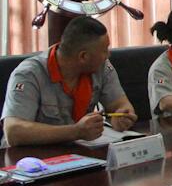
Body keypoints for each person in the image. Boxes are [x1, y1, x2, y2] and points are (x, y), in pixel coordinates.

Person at [1, 17, 137, 147]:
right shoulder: (29, 74)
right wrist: (75, 132)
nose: (108, 55)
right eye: (104, 51)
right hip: (28, 158)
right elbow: (13, 132)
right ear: (83, 56)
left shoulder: (102, 67)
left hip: (78, 152)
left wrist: (122, 116)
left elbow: (120, 104)